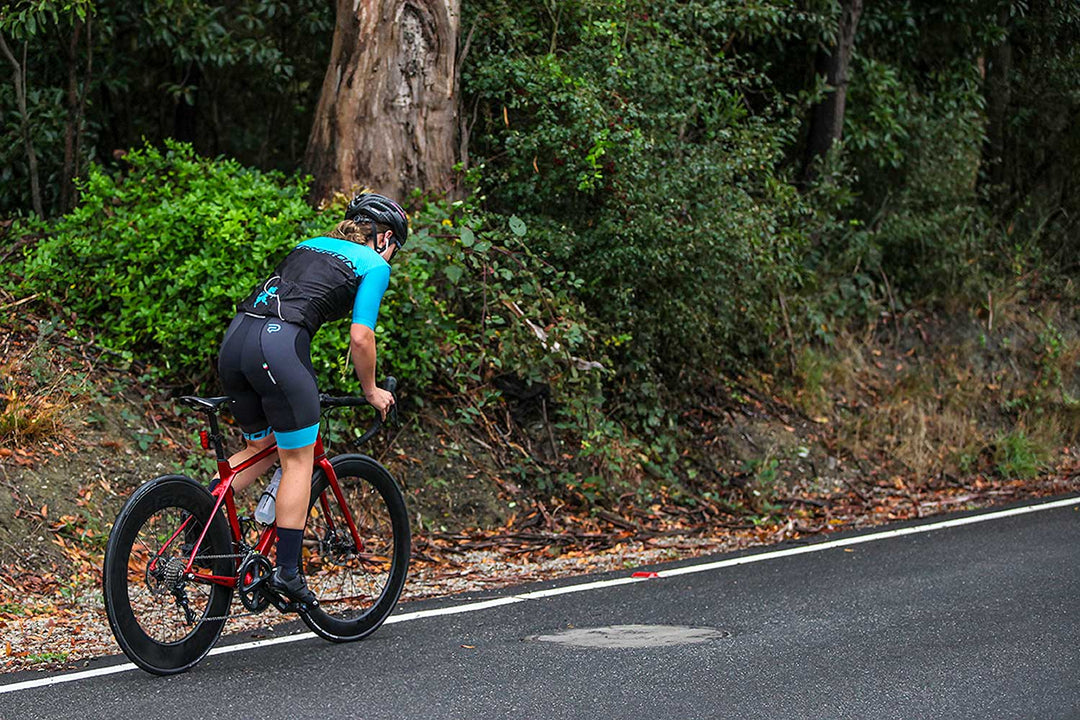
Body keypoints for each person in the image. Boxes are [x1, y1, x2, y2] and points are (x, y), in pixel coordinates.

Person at [215, 192, 408, 607]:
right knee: (298, 459)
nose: (394, 256)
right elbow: (361, 337)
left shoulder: (308, 245)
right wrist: (371, 390)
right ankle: (288, 572)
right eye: (396, 248)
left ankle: (200, 519)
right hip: (278, 348)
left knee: (261, 447)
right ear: (384, 237)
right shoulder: (374, 264)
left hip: (235, 341)